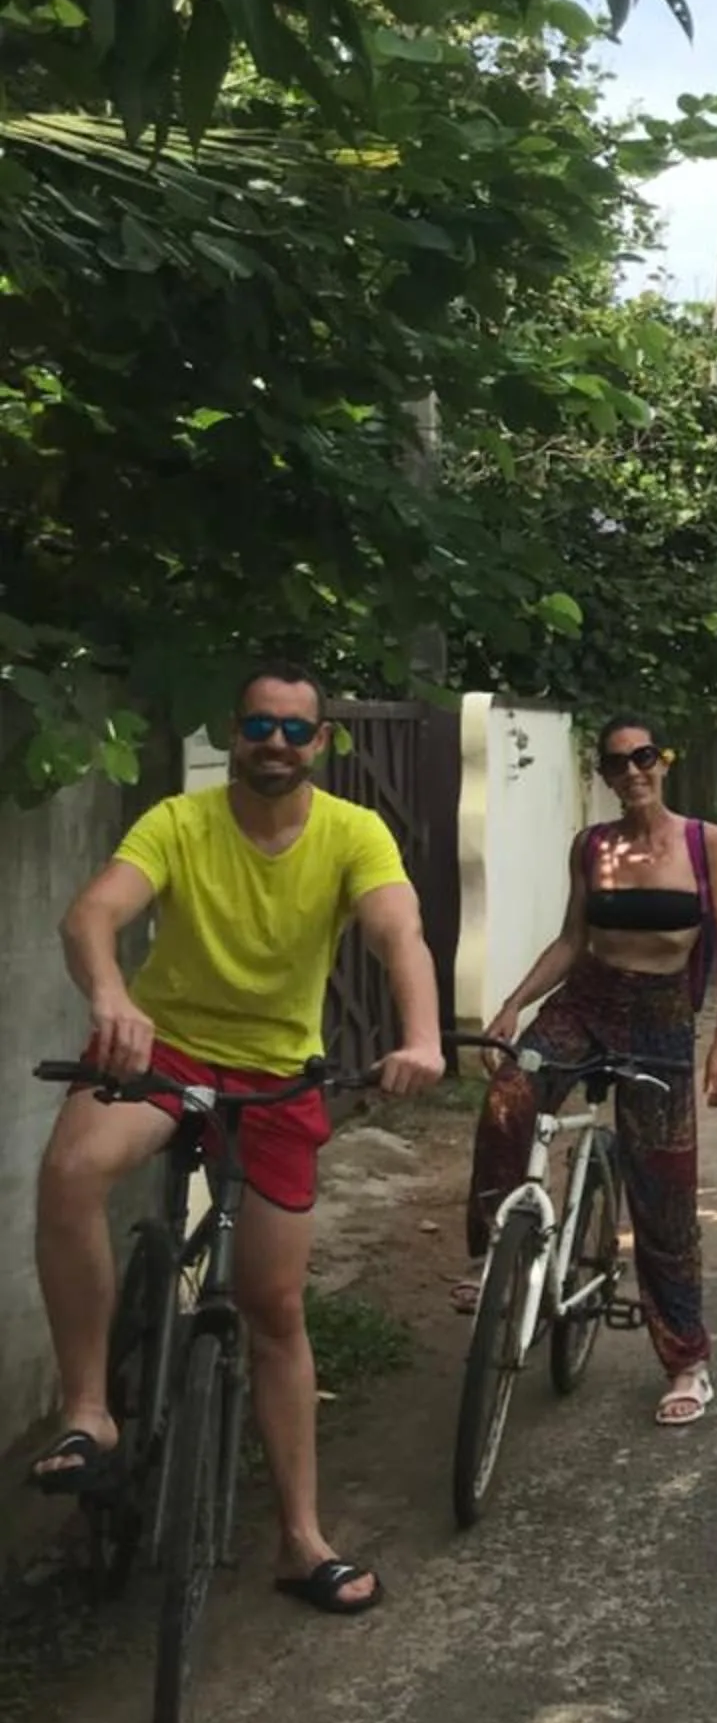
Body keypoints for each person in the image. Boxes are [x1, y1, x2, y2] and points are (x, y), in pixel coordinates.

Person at [30, 664, 444, 1616]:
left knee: (275, 1309)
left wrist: (420, 1037)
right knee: (71, 1172)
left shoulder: (354, 832)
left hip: (278, 1076)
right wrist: (111, 996)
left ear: (322, 744)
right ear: (235, 732)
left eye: (297, 731)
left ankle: (301, 1540)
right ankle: (91, 1410)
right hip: (167, 1057)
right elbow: (92, 912)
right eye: (260, 725)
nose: (277, 744)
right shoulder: (180, 822)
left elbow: (400, 934)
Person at [467, 715, 717, 1427]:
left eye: (643, 758)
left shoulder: (702, 841)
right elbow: (571, 941)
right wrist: (512, 1004)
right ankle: (494, 1260)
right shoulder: (592, 846)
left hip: (660, 1020)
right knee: (509, 1094)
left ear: (663, 760)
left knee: (664, 1196)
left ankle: (686, 1361)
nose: (633, 773)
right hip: (586, 1002)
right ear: (606, 776)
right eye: (618, 764)